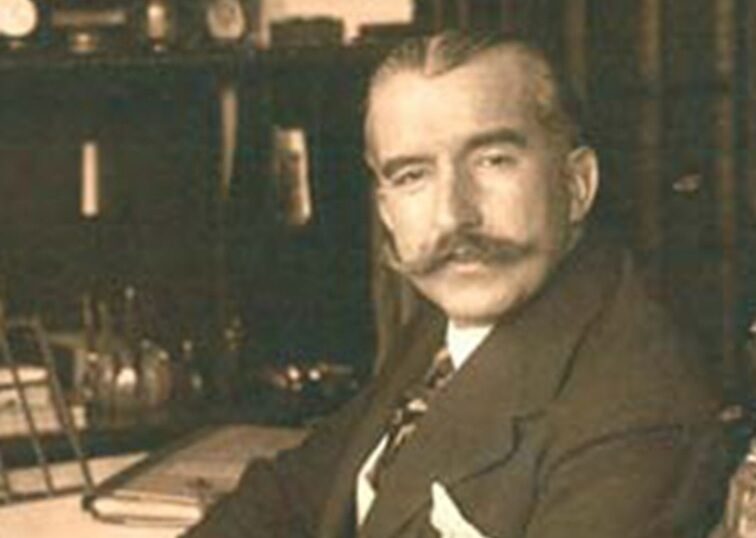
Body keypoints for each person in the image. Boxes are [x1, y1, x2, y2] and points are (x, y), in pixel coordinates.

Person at [183, 30, 731, 538]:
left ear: (576, 184)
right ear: (387, 211)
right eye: (412, 175)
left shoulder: (639, 414)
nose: (452, 216)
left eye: (493, 160)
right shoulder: (452, 317)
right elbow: (293, 492)